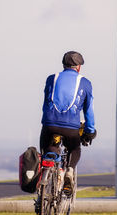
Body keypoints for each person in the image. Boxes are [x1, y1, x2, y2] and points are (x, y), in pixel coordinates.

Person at [40, 51, 97, 192]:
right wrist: (90, 131)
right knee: (74, 148)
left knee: (48, 149)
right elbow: (89, 110)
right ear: (79, 67)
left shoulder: (51, 79)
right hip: (71, 127)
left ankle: (46, 181)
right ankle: (69, 171)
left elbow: (45, 104)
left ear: (63, 65)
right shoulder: (85, 83)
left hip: (49, 124)